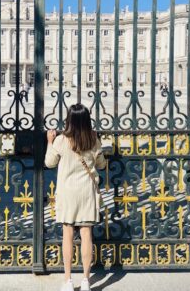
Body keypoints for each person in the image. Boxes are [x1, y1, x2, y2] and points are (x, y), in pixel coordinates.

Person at [44, 104, 107, 291]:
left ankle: (68, 280)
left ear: (69, 120)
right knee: (87, 234)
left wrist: (49, 141)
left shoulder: (62, 140)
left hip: (68, 193)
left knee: (68, 235)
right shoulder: (93, 139)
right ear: (87, 120)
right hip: (87, 192)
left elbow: (49, 163)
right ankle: (86, 280)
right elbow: (102, 164)